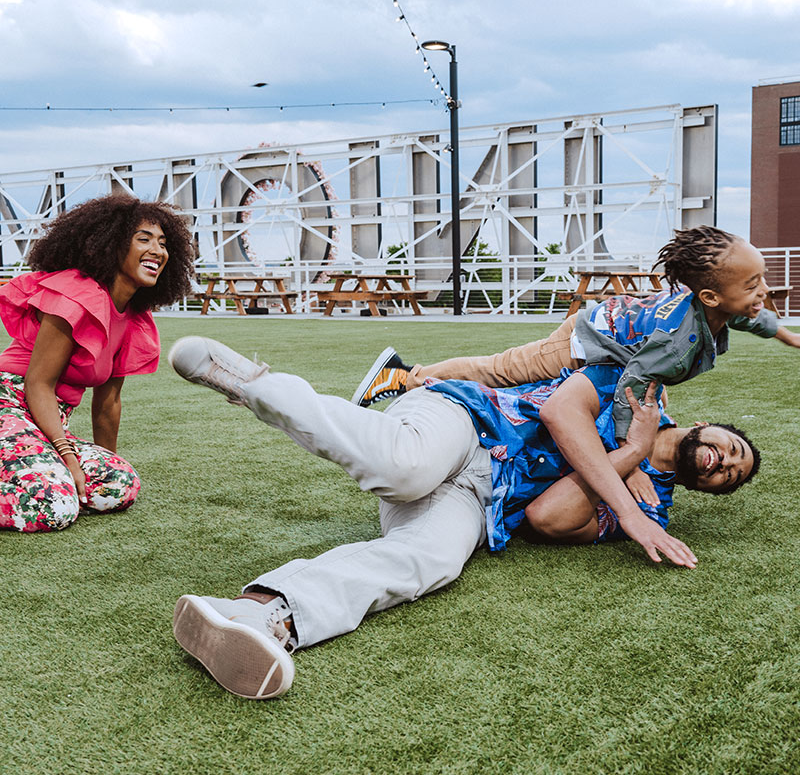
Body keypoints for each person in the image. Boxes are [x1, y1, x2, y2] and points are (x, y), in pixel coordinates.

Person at [167, 335, 759, 699]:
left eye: (730, 475)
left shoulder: (652, 509)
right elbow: (558, 409)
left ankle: (261, 613)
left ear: (708, 488)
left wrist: (630, 476)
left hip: (484, 498)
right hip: (465, 420)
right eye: (731, 449)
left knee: (435, 559)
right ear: (706, 425)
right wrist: (628, 458)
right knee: (406, 467)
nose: (724, 464)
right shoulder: (636, 387)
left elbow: (549, 518)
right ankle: (255, 385)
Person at [350, 225, 794, 509]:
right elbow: (633, 389)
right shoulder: (678, 344)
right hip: (587, 340)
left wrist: (789, 336)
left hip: (612, 342)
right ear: (711, 298)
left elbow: (751, 315)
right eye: (752, 283)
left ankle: (421, 378)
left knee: (515, 382)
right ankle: (406, 375)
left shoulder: (721, 307)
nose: (763, 290)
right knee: (504, 370)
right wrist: (632, 460)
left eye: (761, 280)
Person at [0, 195, 195, 532]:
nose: (157, 251)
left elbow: (108, 402)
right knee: (51, 507)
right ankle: (47, 482)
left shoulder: (133, 318)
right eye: (143, 239)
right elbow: (38, 383)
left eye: (163, 243)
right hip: (9, 404)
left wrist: (108, 460)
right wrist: (69, 457)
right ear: (111, 244)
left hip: (46, 420)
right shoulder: (77, 294)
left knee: (119, 484)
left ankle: (44, 474)